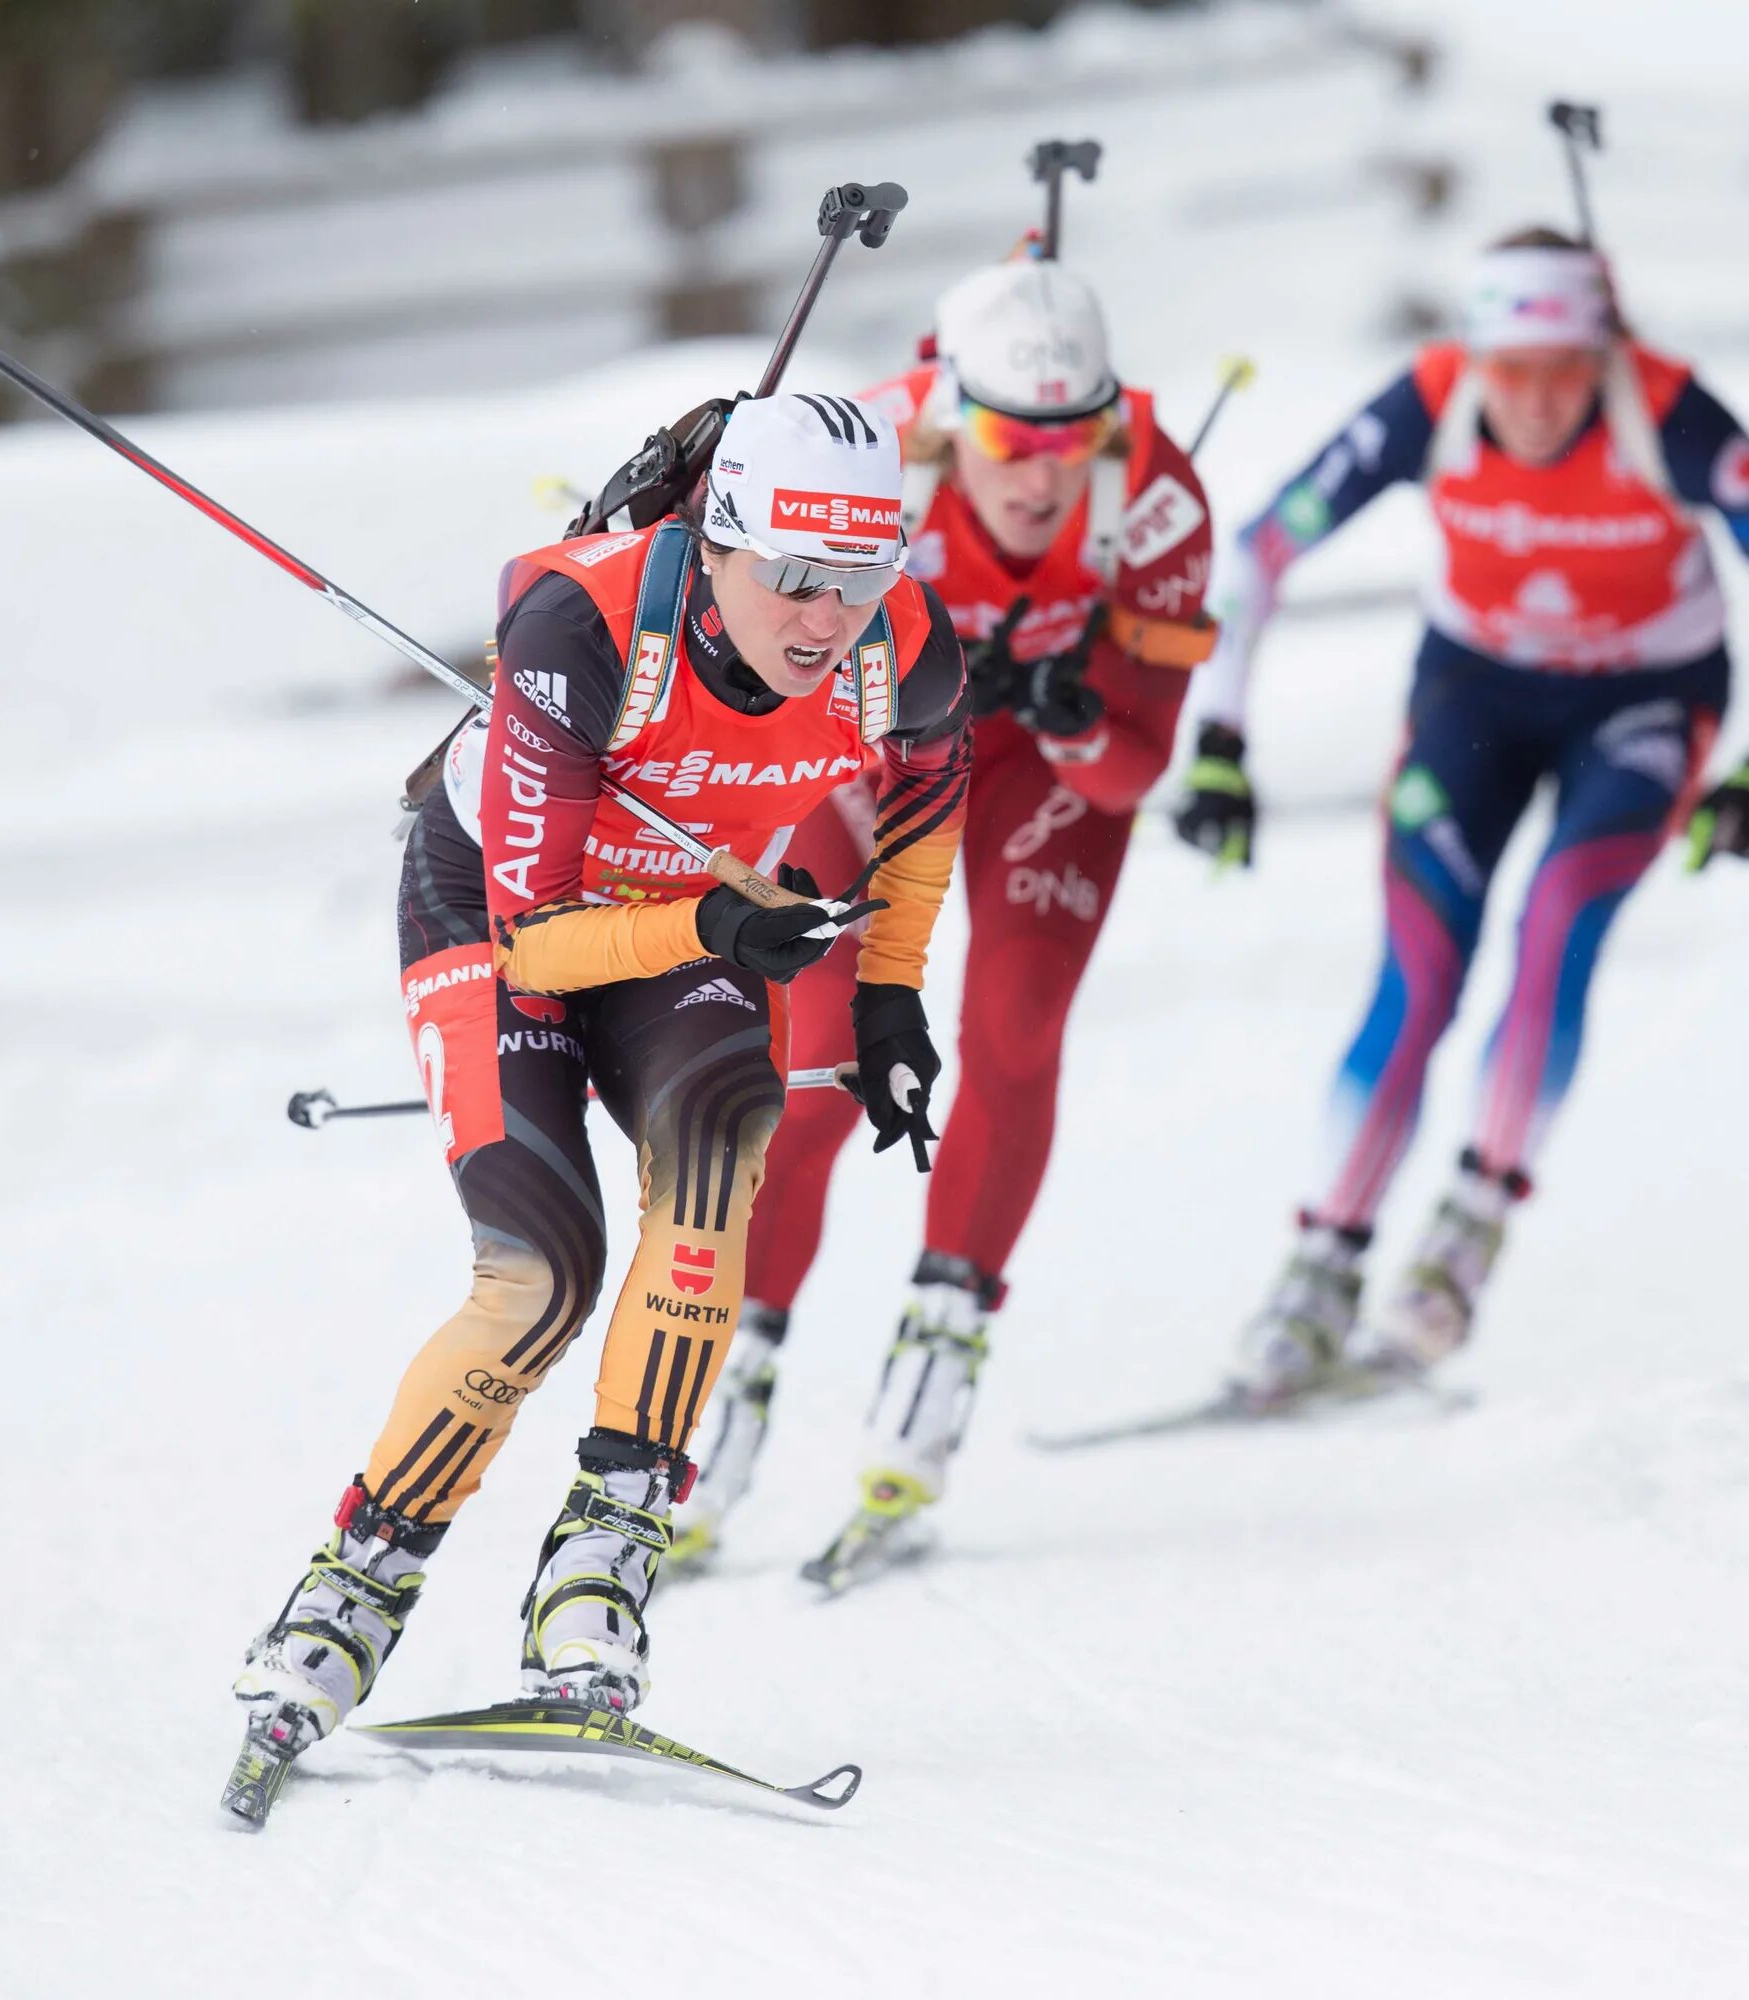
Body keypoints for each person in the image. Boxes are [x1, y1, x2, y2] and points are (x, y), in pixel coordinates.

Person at [230, 391, 970, 1773]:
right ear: (719, 538)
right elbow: (538, 941)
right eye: (793, 575)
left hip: (691, 918)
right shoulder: (586, 632)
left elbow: (926, 810)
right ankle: (353, 1588)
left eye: (860, 574)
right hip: (503, 914)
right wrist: (719, 925)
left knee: (723, 1143)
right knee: (541, 1275)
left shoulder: (904, 647)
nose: (827, 617)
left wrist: (890, 992)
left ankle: (602, 1565)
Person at [1175, 228, 1749, 1405]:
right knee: (1419, 974)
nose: (1537, 401)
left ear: (1607, 354)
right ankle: (1319, 1269)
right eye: (1511, 370)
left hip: (1645, 700)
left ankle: (1462, 1240)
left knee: (1557, 920)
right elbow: (1257, 552)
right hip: (1477, 693)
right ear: (1473, 357)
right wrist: (1220, 745)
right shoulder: (1430, 400)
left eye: (1564, 371)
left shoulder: (1671, 415)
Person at [669, 256, 1217, 1568]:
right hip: (866, 762)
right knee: (818, 1073)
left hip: (1038, 770)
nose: (1042, 475)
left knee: (1014, 1030)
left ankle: (933, 1370)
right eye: (1011, 440)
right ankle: (720, 1398)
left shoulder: (1153, 497)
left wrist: (1074, 714)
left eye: (1073, 439)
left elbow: (1135, 767)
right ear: (946, 413)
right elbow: (746, 667)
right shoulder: (861, 467)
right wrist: (897, 693)